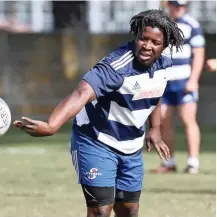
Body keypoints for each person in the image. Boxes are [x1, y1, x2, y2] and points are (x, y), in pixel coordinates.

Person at [14, 9, 184, 217]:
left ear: (164, 46)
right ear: (136, 36)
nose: (147, 46)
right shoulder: (116, 66)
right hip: (96, 141)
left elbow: (155, 92)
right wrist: (52, 126)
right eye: (143, 39)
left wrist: (155, 128)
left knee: (129, 211)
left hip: (131, 147)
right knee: (100, 210)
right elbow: (81, 93)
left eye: (155, 42)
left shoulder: (163, 66)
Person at [153, 0, 206, 174]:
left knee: (187, 119)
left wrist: (193, 80)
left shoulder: (192, 25)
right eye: (177, 5)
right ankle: (169, 163)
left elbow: (198, 55)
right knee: (163, 121)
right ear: (169, 5)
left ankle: (193, 162)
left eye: (183, 6)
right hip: (165, 82)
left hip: (184, 82)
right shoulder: (160, 24)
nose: (180, 9)